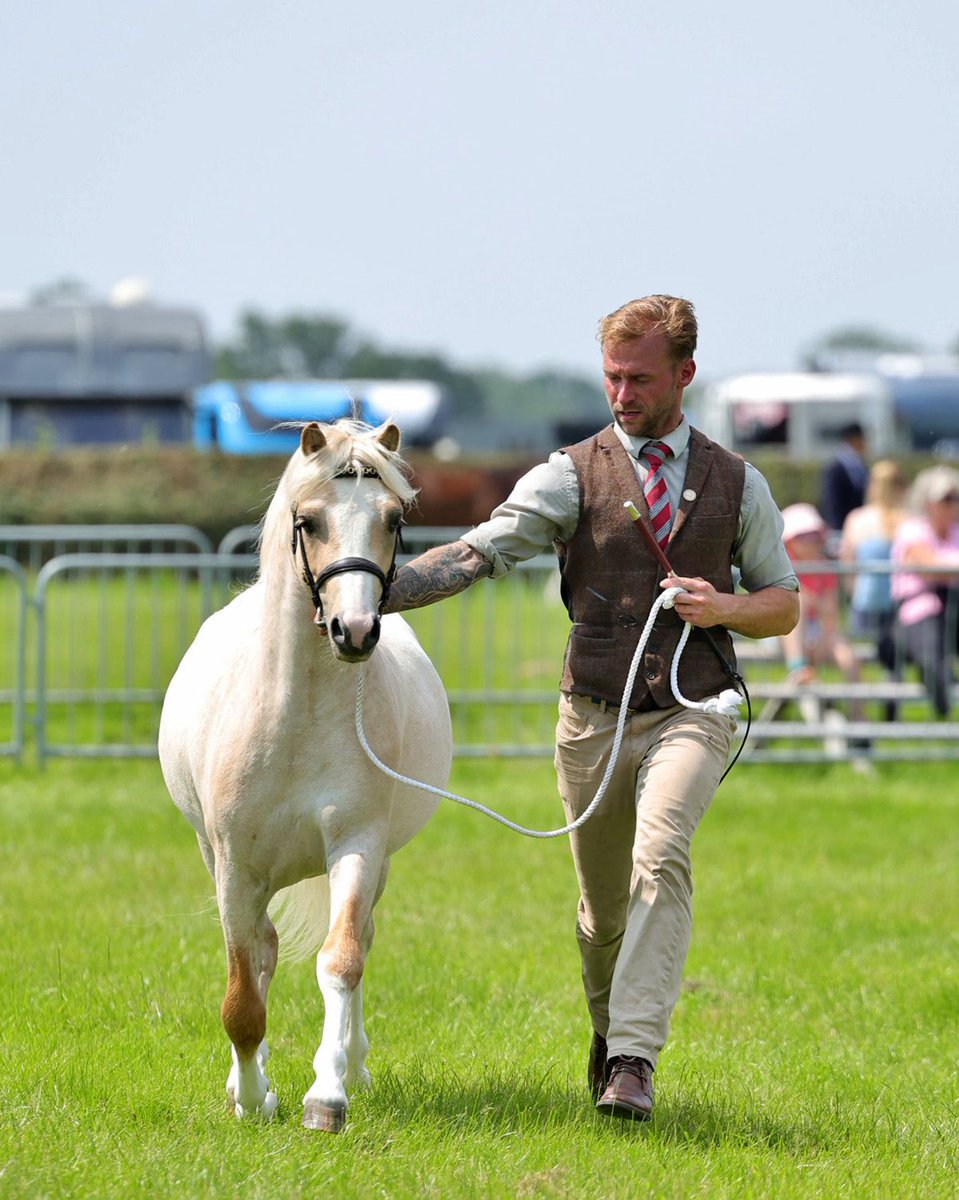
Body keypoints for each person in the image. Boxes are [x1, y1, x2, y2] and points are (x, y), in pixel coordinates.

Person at [384, 295, 799, 1121]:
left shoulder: (738, 481)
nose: (621, 393)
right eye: (610, 376)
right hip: (592, 713)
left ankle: (634, 1059)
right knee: (601, 910)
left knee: (661, 853)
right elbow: (482, 548)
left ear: (684, 373)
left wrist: (722, 607)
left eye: (638, 378)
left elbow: (782, 602)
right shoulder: (569, 472)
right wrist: (374, 597)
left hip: (697, 704)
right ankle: (607, 1033)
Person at [779, 502, 866, 729]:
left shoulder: (824, 567)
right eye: (804, 536)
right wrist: (812, 601)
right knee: (798, 602)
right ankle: (798, 667)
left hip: (818, 633)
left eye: (815, 535)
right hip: (780, 633)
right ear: (790, 540)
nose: (812, 541)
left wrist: (822, 634)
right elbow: (786, 606)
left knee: (848, 657)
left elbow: (831, 614)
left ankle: (859, 718)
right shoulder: (781, 566)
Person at [890, 466, 959, 716]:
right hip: (919, 609)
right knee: (932, 658)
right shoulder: (912, 529)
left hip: (952, 609)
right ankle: (944, 717)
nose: (952, 504)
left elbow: (936, 567)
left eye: (955, 497)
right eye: (946, 498)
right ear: (927, 502)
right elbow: (927, 568)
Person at [839, 461, 909, 698]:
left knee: (862, 655)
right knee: (894, 656)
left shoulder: (858, 519)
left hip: (866, 601)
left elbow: (847, 565)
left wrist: (852, 593)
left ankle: (862, 706)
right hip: (900, 603)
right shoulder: (909, 520)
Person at [820, 421, 869, 539]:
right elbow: (832, 501)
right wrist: (837, 530)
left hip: (856, 526)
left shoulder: (859, 464)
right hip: (842, 527)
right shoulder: (836, 467)